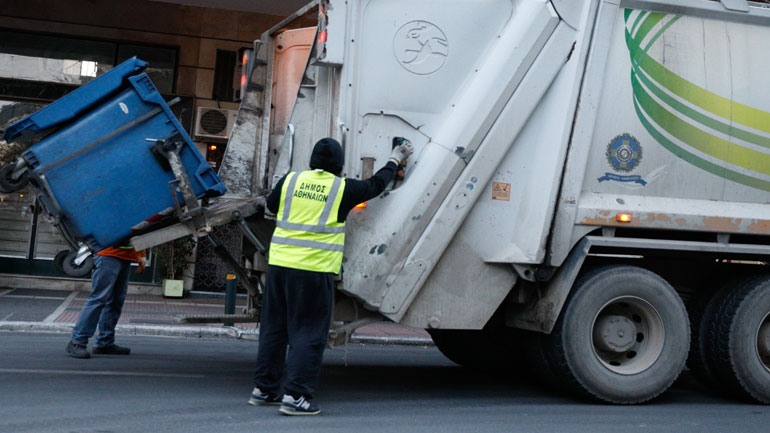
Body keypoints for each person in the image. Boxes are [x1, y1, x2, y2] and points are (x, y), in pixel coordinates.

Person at [249, 137, 414, 416]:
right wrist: (395, 159)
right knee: (308, 333)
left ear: (312, 161)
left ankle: (264, 390)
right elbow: (376, 184)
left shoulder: (291, 181)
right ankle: (296, 397)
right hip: (313, 272)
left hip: (278, 267)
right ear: (339, 166)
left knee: (274, 330)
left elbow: (272, 206)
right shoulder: (342, 189)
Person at [66, 246, 145, 359]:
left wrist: (139, 256)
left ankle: (104, 343)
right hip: (108, 254)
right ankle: (77, 342)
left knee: (115, 301)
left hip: (125, 256)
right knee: (98, 298)